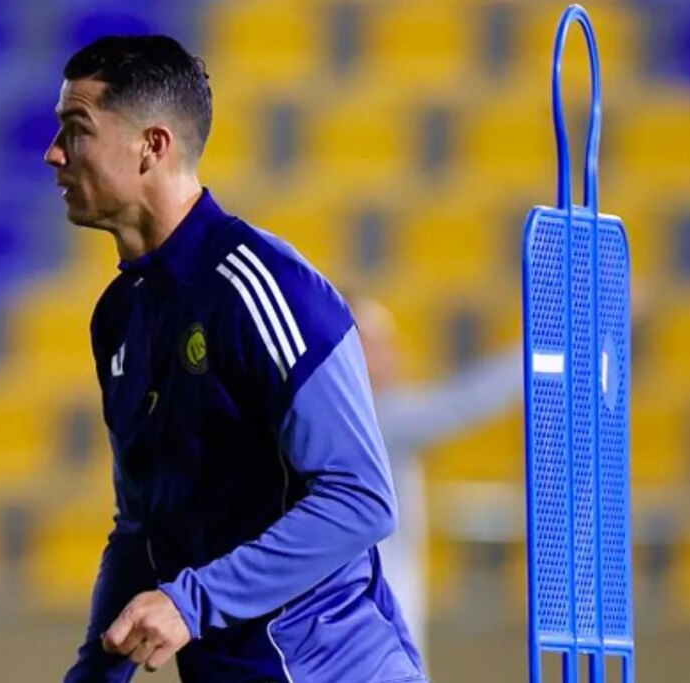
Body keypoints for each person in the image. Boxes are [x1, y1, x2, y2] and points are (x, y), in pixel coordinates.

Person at [44, 35, 427, 682]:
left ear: (152, 146)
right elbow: (142, 527)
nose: (53, 152)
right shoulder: (119, 317)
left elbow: (360, 498)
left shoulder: (265, 289)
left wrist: (190, 602)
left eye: (76, 129)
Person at [350, 296, 522, 662]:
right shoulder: (370, 421)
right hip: (370, 637)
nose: (388, 353)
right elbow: (463, 402)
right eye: (372, 342)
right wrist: (539, 354)